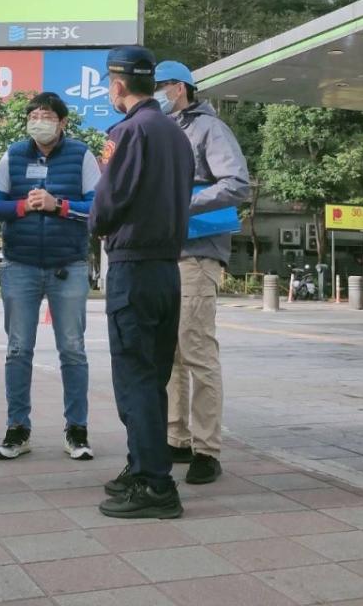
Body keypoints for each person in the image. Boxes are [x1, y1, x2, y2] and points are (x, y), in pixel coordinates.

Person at [90, 47, 195, 519]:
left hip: (133, 266)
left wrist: (92, 220)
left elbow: (109, 201)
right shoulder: (175, 133)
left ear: (117, 86)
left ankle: (155, 484)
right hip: (167, 268)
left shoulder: (127, 132)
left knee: (133, 375)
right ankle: (142, 465)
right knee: (152, 375)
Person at [0, 92, 101, 461]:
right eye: (33, 115)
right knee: (18, 350)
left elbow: (99, 207)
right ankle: (18, 429)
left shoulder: (81, 155)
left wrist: (59, 206)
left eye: (46, 115)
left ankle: (76, 430)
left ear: (62, 122)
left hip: (69, 265)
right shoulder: (14, 154)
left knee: (73, 350)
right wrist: (21, 206)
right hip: (20, 266)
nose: (39, 121)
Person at [153, 60, 249, 486]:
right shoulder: (157, 126)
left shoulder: (209, 128)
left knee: (196, 349)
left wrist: (182, 202)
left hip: (197, 253)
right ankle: (177, 436)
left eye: (161, 85)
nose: (155, 92)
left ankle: (207, 448)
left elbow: (236, 183)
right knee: (170, 352)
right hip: (162, 252)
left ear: (180, 87)